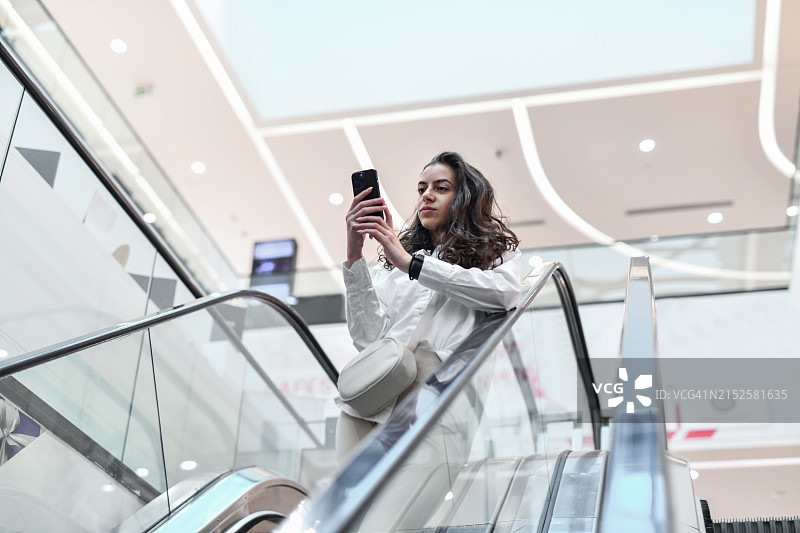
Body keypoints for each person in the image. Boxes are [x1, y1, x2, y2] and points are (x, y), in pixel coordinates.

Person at [337, 151, 522, 463]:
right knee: (346, 493)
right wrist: (354, 256)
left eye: (441, 188)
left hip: (433, 400)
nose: (427, 195)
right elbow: (368, 340)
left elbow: (504, 294)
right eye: (422, 188)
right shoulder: (394, 265)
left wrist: (414, 266)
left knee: (412, 493)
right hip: (368, 402)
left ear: (465, 198)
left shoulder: (494, 256)